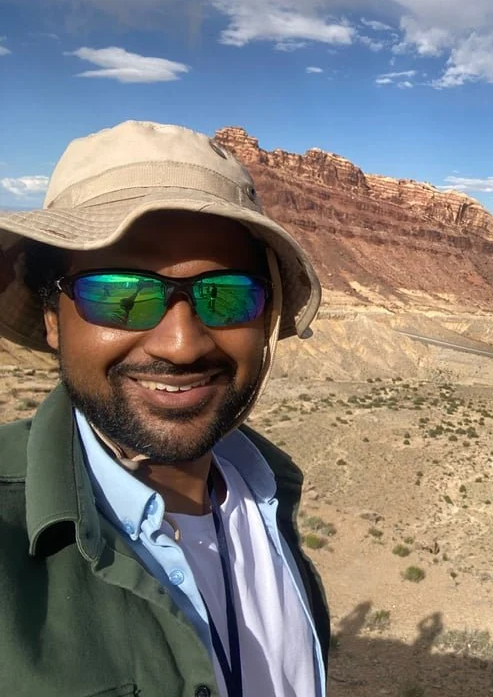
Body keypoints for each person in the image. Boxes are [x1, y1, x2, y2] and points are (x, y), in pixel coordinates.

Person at [0, 121, 330, 697]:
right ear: (54, 318)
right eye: (120, 294)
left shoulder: (268, 495)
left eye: (226, 294)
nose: (182, 345)